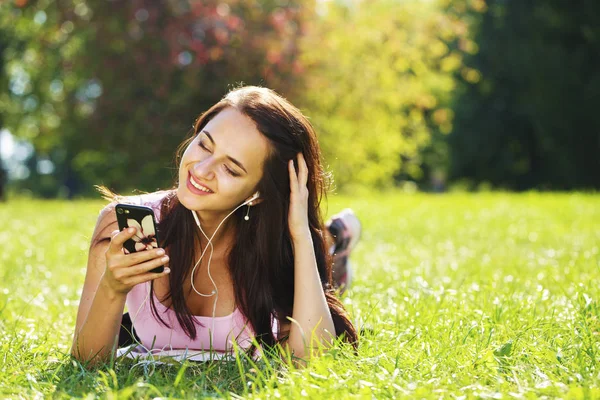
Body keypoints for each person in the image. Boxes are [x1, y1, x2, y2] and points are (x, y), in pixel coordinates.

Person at [71, 86, 361, 365]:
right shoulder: (120, 227)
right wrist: (113, 288)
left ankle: (334, 239)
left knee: (325, 262)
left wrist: (301, 236)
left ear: (258, 193)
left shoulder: (270, 244)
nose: (201, 169)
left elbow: (309, 362)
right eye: (204, 145)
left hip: (284, 233)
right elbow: (86, 361)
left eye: (230, 168)